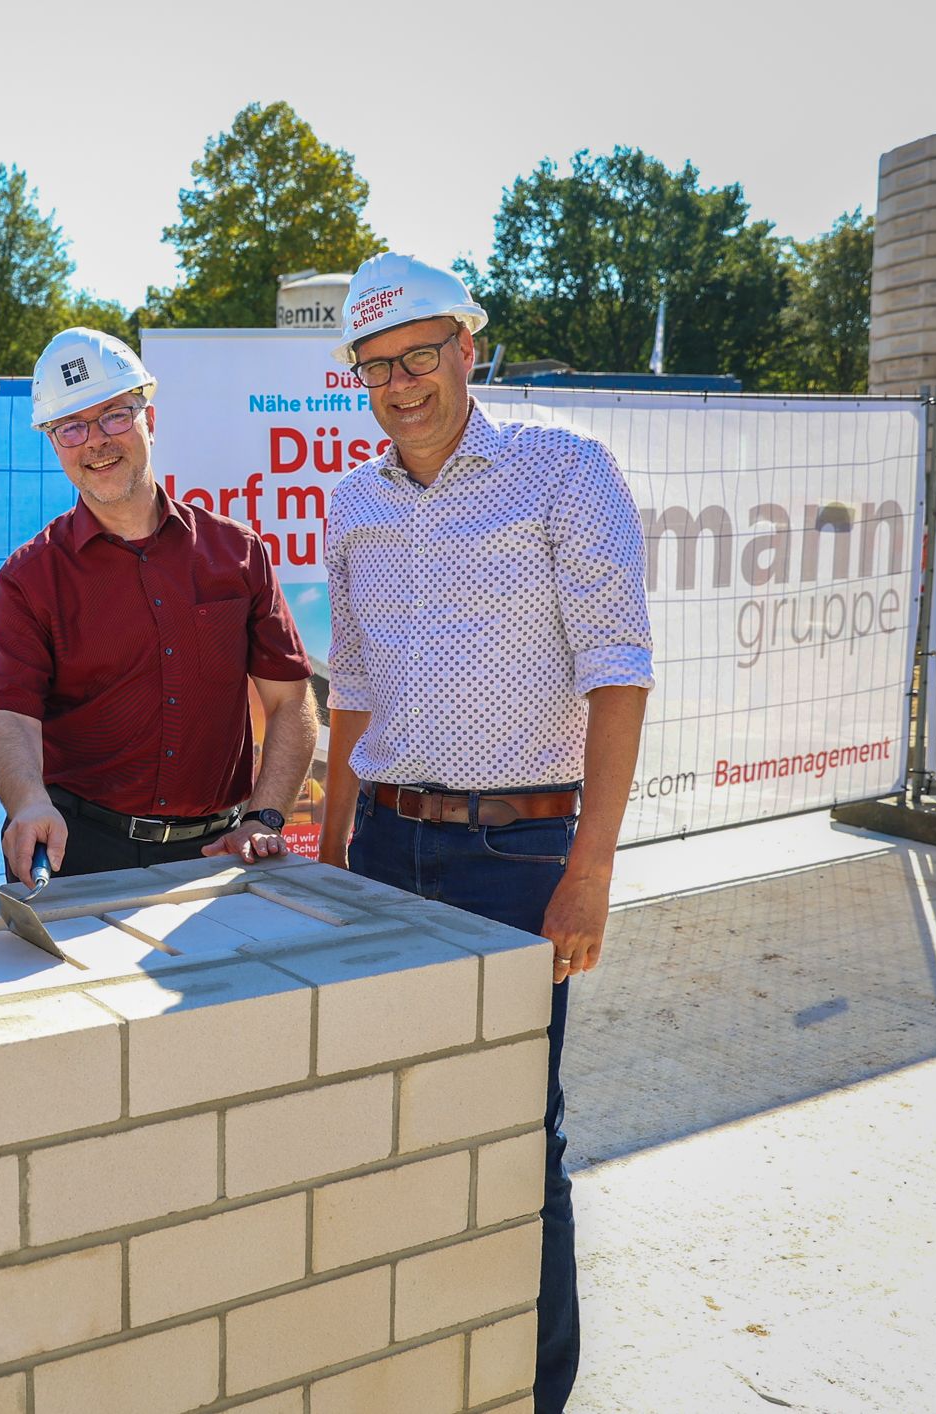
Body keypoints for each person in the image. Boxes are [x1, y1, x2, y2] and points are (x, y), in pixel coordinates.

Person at [317, 252, 654, 1414]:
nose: (400, 383)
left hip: (519, 857)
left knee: (518, 1140)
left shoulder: (561, 473)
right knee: (392, 1123)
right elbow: (349, 689)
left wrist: (589, 871)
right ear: (354, 376)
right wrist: (329, 856)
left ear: (467, 348)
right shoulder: (353, 504)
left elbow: (618, 675)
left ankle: (532, 1392)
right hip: (387, 852)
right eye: (376, 365)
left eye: (419, 355)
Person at [0, 326, 319, 885]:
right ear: (53, 443)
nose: (96, 441)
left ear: (150, 421)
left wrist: (265, 815)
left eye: (115, 415)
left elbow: (291, 702)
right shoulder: (30, 577)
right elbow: (12, 718)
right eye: (71, 427)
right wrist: (28, 802)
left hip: (220, 856)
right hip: (80, 853)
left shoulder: (236, 552)